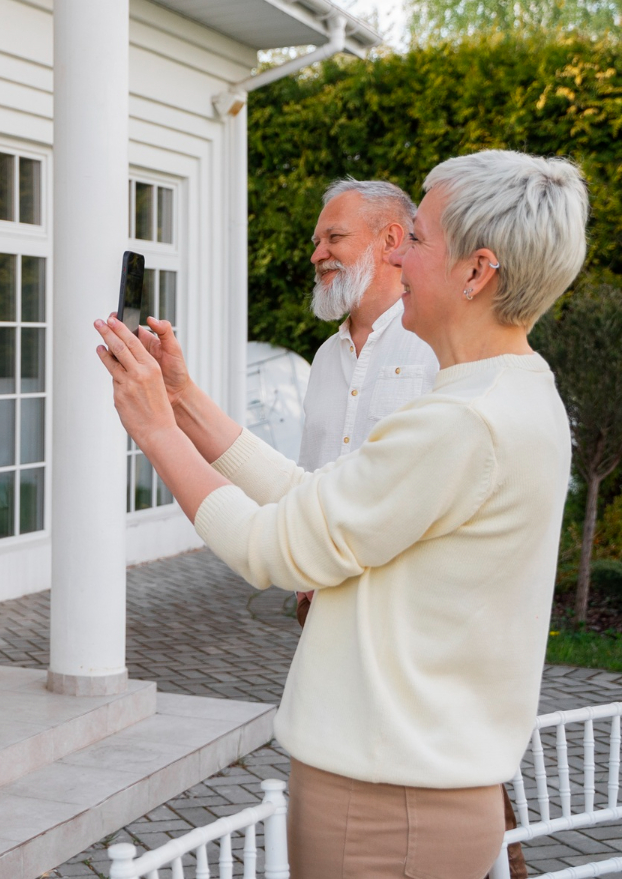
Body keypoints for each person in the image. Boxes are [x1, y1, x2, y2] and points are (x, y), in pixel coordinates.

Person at [96, 150, 587, 878]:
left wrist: (155, 432)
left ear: (477, 271)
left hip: (386, 803)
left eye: (416, 239)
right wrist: (183, 401)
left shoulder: (461, 421)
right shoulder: (516, 393)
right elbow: (315, 498)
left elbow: (274, 547)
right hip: (416, 789)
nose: (401, 260)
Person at [294, 179, 436, 625]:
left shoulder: (436, 345)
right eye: (317, 242)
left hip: (405, 612)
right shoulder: (322, 358)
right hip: (324, 604)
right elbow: (309, 477)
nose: (318, 255)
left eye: (335, 238)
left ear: (391, 240)